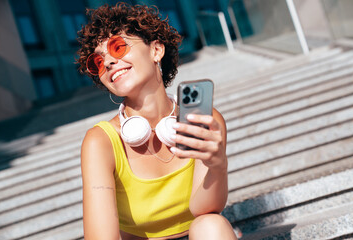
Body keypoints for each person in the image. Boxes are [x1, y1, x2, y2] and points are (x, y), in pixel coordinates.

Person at [77, 3, 239, 240]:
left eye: (118, 47)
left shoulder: (201, 119)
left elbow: (204, 211)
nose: (109, 62)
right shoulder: (101, 142)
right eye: (99, 62)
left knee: (211, 225)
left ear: (156, 50)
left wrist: (217, 166)